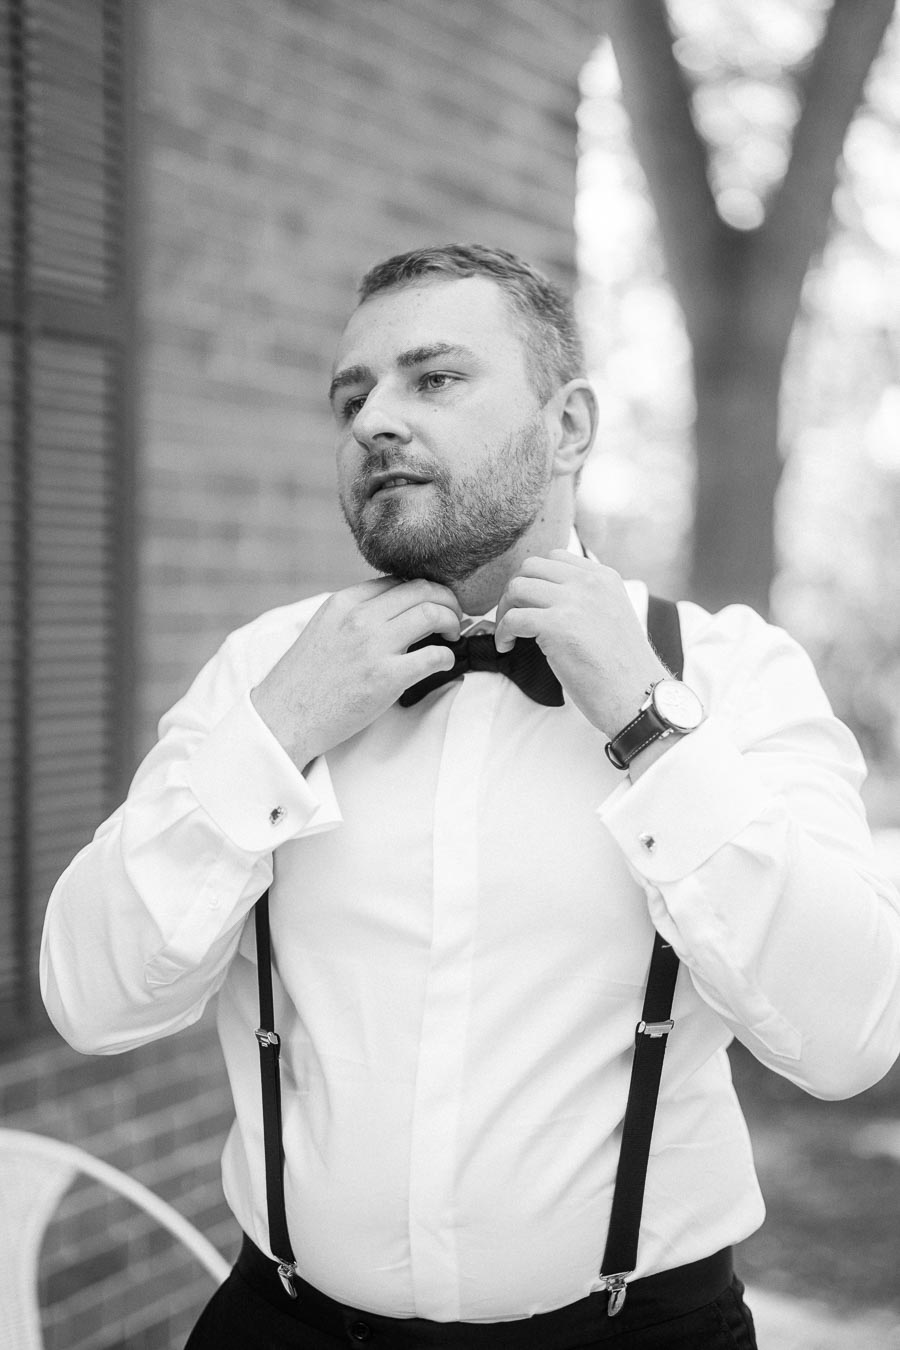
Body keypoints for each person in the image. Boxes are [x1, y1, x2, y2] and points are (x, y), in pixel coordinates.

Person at [41, 243, 900, 1350]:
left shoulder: (730, 673)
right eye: (352, 395)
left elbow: (852, 1034)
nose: (372, 422)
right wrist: (281, 730)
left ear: (571, 428)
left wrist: (649, 722)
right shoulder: (266, 670)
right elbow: (90, 999)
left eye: (434, 379)